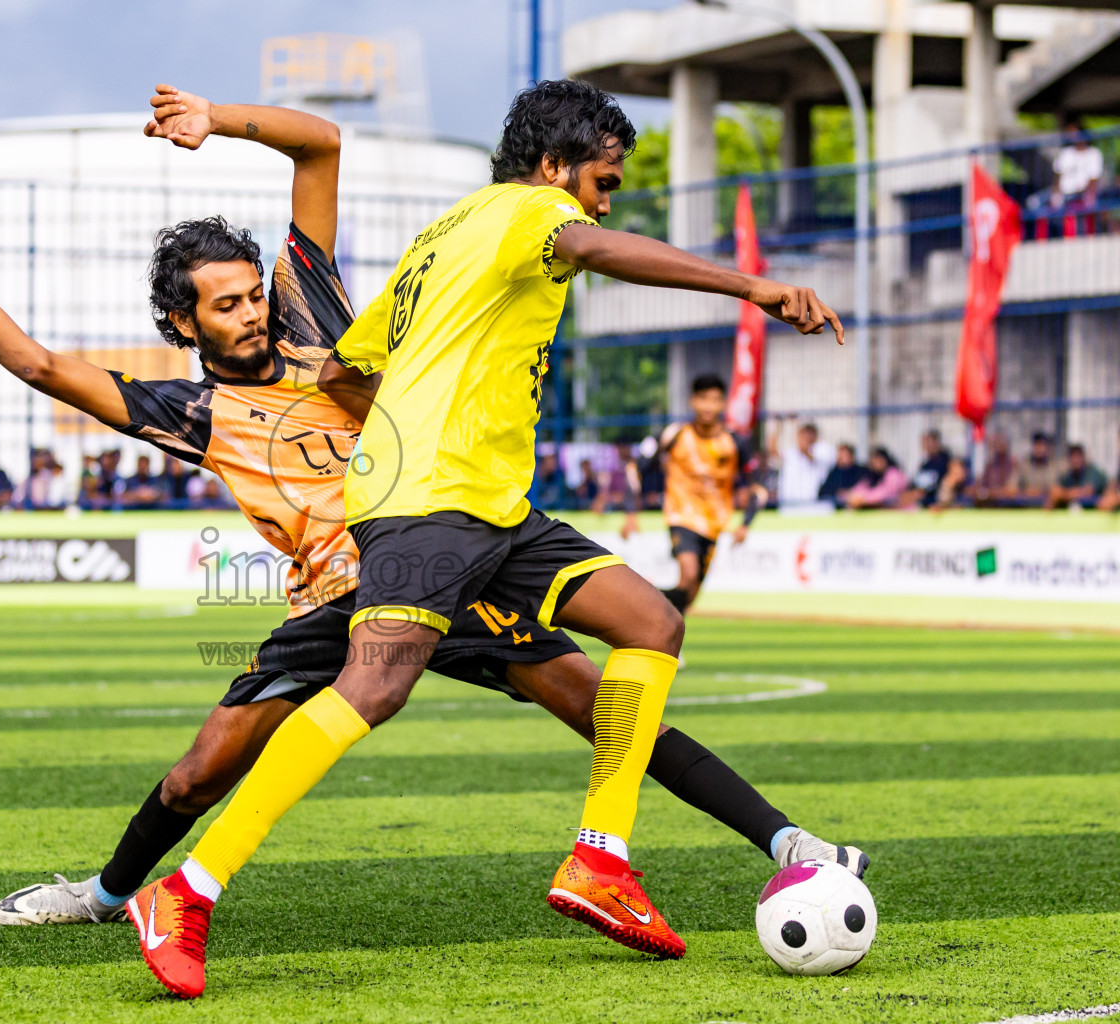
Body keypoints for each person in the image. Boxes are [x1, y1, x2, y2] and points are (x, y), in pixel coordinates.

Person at [0, 83, 860, 999]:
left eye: (253, 289)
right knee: (203, 770)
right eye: (228, 303)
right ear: (183, 322)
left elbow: (321, 147)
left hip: (448, 547)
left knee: (607, 698)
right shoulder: (190, 410)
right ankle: (113, 892)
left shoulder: (315, 307)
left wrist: (219, 119)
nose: (252, 310)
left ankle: (780, 841)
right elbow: (34, 362)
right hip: (341, 587)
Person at [138, 77, 843, 994]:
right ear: (554, 166)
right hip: (436, 497)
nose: (600, 197)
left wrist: (414, 419)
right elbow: (589, 244)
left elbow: (348, 368)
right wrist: (752, 285)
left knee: (650, 622)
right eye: (602, 177)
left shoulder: (448, 233)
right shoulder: (529, 215)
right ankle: (185, 892)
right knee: (375, 686)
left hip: (488, 502)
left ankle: (601, 858)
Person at [622, 375, 766, 614]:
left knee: (688, 598)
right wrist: (630, 513)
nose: (708, 406)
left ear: (723, 404)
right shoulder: (674, 435)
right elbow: (633, 470)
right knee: (687, 575)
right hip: (682, 517)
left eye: (714, 400)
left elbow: (758, 489)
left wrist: (746, 524)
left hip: (714, 525)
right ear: (692, 402)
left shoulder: (735, 442)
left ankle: (654, 623)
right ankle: (636, 600)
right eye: (702, 399)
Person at [767, 419, 834, 509]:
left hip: (811, 507)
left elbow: (808, 453)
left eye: (807, 434)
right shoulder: (792, 452)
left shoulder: (823, 449)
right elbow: (772, 451)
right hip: (788, 507)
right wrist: (778, 426)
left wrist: (795, 423)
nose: (803, 437)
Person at [1053, 122, 1103, 235]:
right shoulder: (1065, 154)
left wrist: (1089, 195)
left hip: (1082, 194)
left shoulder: (1094, 153)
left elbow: (1094, 178)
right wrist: (1056, 195)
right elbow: (1057, 176)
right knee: (1035, 203)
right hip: (1066, 195)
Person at [1046, 443, 1107, 509]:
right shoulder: (1067, 475)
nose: (1075, 460)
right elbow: (1055, 491)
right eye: (1073, 456)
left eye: (1078, 456)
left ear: (1084, 458)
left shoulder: (1093, 472)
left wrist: (1064, 495)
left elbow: (1088, 491)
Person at [970, 431, 1021, 507]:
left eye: (1000, 443)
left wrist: (989, 493)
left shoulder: (1013, 465)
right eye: (995, 443)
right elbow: (980, 486)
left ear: (1006, 445)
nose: (998, 446)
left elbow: (1011, 491)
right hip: (991, 507)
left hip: (1009, 507)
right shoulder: (990, 466)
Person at [1016, 431, 1061, 504]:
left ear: (1047, 447)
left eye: (1042, 445)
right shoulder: (1024, 466)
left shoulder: (1054, 467)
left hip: (1047, 509)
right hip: (1026, 508)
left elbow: (1057, 490)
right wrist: (1024, 492)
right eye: (1037, 445)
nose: (1039, 449)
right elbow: (1011, 489)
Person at [818, 443, 866, 507]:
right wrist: (838, 492)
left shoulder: (861, 471)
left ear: (851, 456)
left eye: (845, 455)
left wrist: (851, 493)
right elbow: (823, 492)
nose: (841, 457)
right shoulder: (834, 472)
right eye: (840, 455)